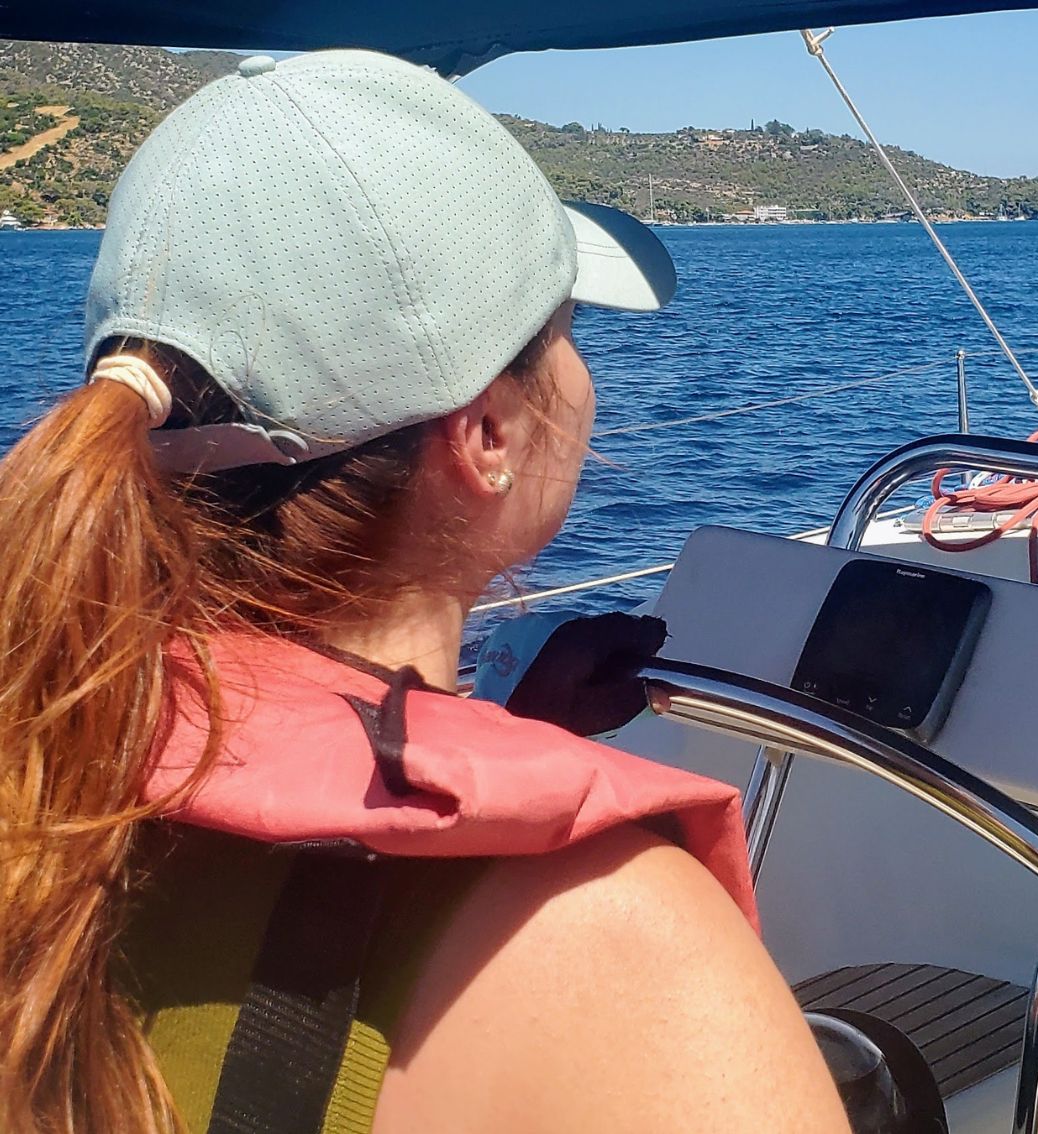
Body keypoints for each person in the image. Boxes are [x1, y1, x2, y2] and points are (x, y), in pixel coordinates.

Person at [0, 49, 851, 1134]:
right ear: (488, 432)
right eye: (565, 333)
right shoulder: (612, 942)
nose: (583, 376)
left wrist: (502, 730)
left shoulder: (52, 750)